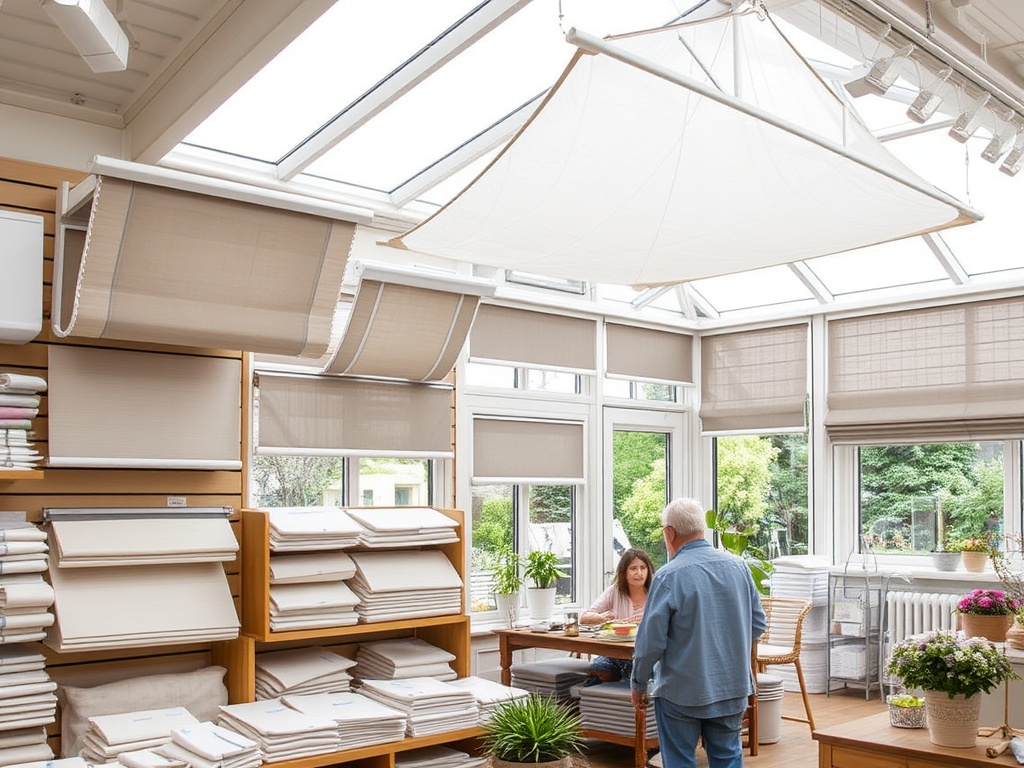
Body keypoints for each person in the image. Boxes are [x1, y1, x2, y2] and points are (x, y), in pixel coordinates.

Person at [630, 498, 766, 768]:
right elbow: (758, 624)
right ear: (702, 529)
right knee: (728, 759)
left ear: (669, 532)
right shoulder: (739, 567)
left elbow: (650, 643)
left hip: (681, 693)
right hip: (732, 688)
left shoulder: (668, 576)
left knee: (679, 762)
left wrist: (638, 683)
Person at [580, 547, 654, 684]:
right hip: (613, 655)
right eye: (633, 568)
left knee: (644, 677)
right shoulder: (614, 591)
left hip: (645, 656)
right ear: (624, 572)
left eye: (643, 568)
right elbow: (585, 617)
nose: (639, 573)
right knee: (596, 676)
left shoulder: (656, 592)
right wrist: (601, 618)